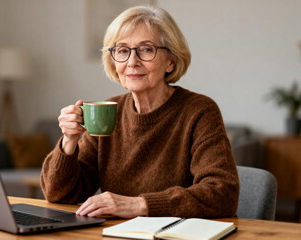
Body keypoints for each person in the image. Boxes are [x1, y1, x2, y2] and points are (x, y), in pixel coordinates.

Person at [40, 6, 239, 219]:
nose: (132, 62)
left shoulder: (199, 111)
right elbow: (59, 194)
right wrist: (68, 143)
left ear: (170, 61)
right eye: (123, 51)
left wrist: (140, 205)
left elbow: (222, 193)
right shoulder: (108, 111)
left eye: (146, 50)